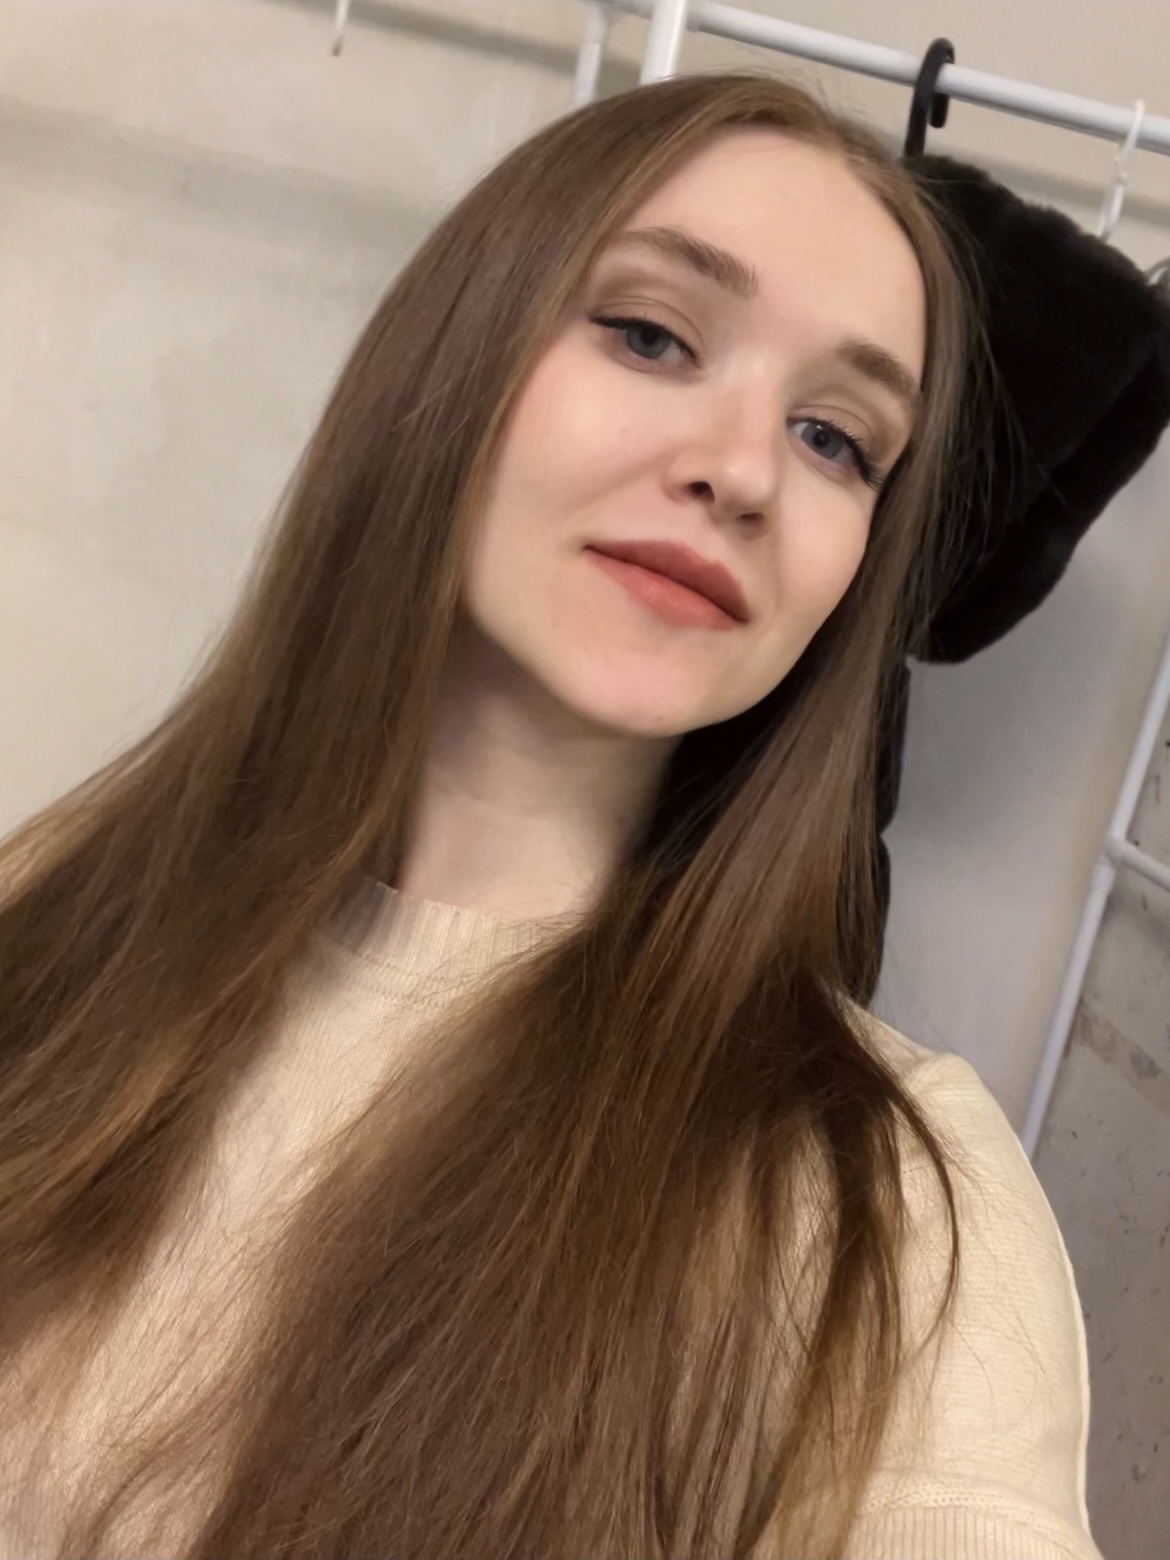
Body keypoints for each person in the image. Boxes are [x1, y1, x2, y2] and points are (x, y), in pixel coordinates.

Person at [0, 71, 1100, 1560]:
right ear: (452, 357)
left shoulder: (896, 1209)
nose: (743, 473)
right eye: (651, 335)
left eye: (837, 438)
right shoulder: (55, 899)